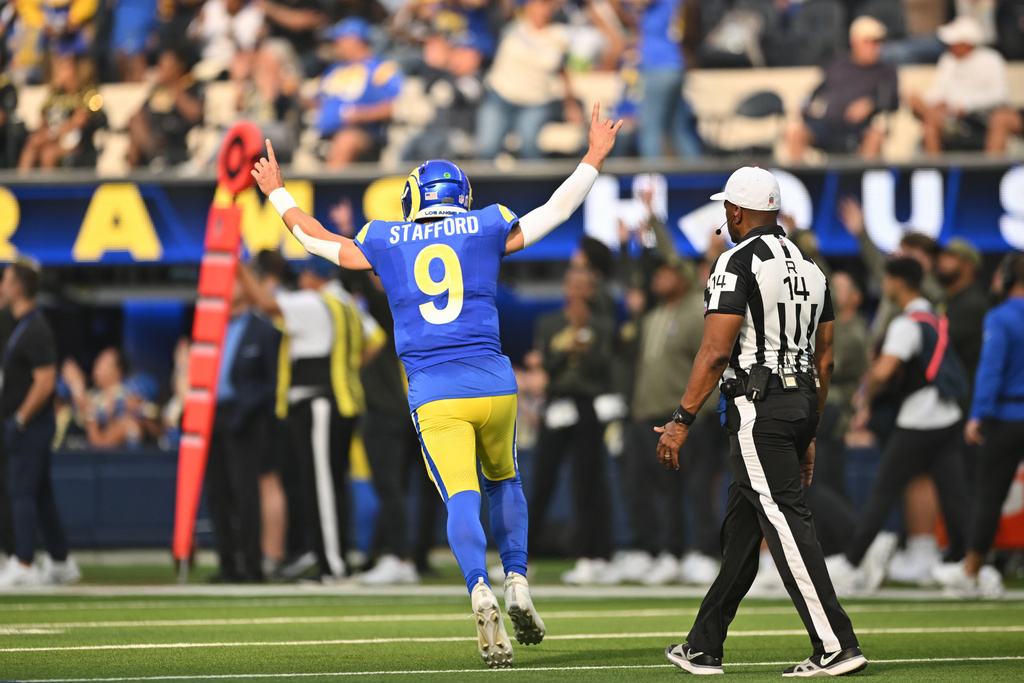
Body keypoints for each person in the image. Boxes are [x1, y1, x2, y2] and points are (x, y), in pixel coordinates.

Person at [250, 103, 621, 667]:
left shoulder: (386, 237)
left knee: (461, 496)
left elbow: (318, 242)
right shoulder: (487, 224)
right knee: (506, 483)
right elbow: (555, 211)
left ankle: (478, 587)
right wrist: (593, 155)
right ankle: (516, 579)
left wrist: (278, 193)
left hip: (434, 387)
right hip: (494, 381)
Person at [655, 166, 866, 677]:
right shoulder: (814, 268)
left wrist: (681, 419)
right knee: (743, 532)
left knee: (787, 524)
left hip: (757, 407)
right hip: (798, 404)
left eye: (727, 208)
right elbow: (827, 359)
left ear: (735, 210)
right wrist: (809, 427)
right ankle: (704, 644)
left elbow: (713, 352)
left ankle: (836, 643)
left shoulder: (735, 261)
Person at [830, 258, 973, 593]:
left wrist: (863, 400)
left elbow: (882, 373)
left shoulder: (907, 323)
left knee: (883, 489)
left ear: (897, 282)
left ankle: (852, 561)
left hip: (919, 420)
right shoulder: (934, 314)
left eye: (887, 279)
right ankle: (969, 562)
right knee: (953, 494)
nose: (884, 286)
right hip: (946, 416)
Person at [238, 256, 382, 582]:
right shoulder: (346, 300)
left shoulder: (314, 302)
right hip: (341, 401)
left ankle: (333, 565)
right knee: (332, 485)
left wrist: (237, 267)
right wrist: (346, 369)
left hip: (318, 403)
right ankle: (332, 559)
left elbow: (263, 303)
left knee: (322, 486)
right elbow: (375, 339)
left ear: (310, 275)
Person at [934, 253, 1024, 598]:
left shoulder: (1000, 317)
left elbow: (990, 371)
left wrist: (977, 415)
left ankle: (971, 570)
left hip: (1004, 418)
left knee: (988, 496)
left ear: (1004, 277)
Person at [528, 266, 617, 585]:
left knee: (588, 483)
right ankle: (522, 559)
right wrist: (567, 346)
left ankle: (591, 556)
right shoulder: (549, 323)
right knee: (541, 482)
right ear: (566, 288)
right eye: (574, 285)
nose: (579, 291)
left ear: (592, 291)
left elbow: (603, 369)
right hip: (555, 406)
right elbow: (547, 367)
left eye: (585, 286)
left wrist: (584, 339)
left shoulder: (604, 326)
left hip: (587, 407)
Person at [0, 259, 79, 587]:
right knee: (41, 493)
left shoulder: (35, 328)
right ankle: (61, 561)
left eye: (5, 280)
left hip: (30, 426)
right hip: (27, 425)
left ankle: (24, 562)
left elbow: (45, 381)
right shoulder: (22, 325)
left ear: (17, 288)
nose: (1, 286)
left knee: (21, 491)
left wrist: (20, 417)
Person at [206, 278, 280, 583]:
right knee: (216, 494)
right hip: (211, 415)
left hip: (246, 417)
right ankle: (226, 565)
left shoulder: (264, 331)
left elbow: (272, 381)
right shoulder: (211, 328)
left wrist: (248, 409)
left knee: (246, 492)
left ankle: (253, 564)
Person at [475, 0, 583, 160]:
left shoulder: (559, 36)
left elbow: (564, 72)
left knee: (530, 149)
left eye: (547, 5)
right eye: (538, 4)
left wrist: (571, 104)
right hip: (500, 96)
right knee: (487, 148)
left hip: (535, 102)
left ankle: (537, 186)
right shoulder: (511, 26)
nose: (542, 10)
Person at [786, 16, 898, 162]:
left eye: (878, 42)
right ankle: (801, 181)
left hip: (859, 129)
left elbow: (893, 100)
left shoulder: (885, 71)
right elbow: (816, 92)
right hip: (826, 125)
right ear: (855, 41)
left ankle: (863, 180)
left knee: (876, 134)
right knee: (794, 132)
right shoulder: (836, 65)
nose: (875, 47)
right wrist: (805, 106)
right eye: (869, 41)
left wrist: (872, 104)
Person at [907, 15, 1023, 156]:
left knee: (1000, 118)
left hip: (980, 120)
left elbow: (999, 96)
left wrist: (965, 106)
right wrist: (937, 102)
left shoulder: (991, 59)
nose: (949, 47)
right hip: (950, 119)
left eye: (954, 43)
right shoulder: (948, 61)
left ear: (966, 43)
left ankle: (991, 172)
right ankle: (935, 171)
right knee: (918, 104)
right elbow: (938, 90)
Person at [314, 18, 403, 168]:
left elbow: (395, 106)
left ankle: (328, 190)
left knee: (346, 141)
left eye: (338, 41)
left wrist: (360, 114)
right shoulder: (333, 70)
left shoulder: (380, 68)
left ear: (355, 40)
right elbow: (315, 98)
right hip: (324, 134)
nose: (335, 46)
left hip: (364, 133)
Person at [17, 52, 104, 172]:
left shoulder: (87, 93)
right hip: (52, 138)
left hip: (75, 142)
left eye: (65, 68)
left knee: (49, 154)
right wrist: (41, 135)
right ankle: (20, 188)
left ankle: (50, 190)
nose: (60, 72)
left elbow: (80, 121)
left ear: (75, 70)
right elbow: (43, 118)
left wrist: (50, 136)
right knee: (30, 149)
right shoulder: (54, 94)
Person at [126, 46, 204, 169]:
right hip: (153, 140)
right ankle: (152, 158)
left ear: (179, 67)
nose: (160, 70)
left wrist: (174, 87)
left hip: (177, 142)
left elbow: (195, 115)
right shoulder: (157, 90)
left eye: (165, 65)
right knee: (135, 121)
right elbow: (140, 112)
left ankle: (157, 158)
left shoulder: (190, 86)